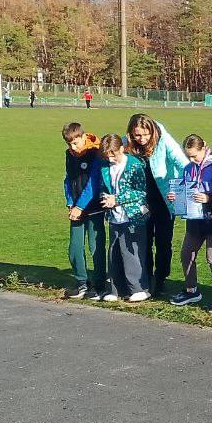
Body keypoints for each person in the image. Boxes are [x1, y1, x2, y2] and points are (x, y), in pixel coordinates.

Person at [168, 135, 212, 315]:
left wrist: (208, 197)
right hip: (194, 220)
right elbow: (184, 189)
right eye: (188, 156)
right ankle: (191, 291)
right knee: (186, 253)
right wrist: (176, 196)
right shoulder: (189, 168)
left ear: (203, 148)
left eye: (194, 156)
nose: (191, 160)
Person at [125, 113, 189, 297]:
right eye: (137, 135)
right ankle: (144, 276)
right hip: (141, 200)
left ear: (152, 131)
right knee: (142, 240)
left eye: (145, 134)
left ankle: (160, 278)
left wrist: (180, 188)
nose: (142, 139)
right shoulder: (127, 142)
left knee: (163, 241)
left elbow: (183, 163)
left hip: (164, 199)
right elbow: (112, 153)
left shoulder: (164, 139)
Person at [98, 133, 151, 302]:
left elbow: (140, 192)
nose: (110, 158)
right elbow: (103, 187)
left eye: (113, 154)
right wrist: (105, 198)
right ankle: (116, 290)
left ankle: (140, 288)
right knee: (114, 253)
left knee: (132, 252)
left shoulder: (134, 165)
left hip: (133, 216)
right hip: (114, 217)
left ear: (121, 148)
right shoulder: (105, 167)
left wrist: (117, 199)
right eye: (107, 155)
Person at [61, 122, 107, 300]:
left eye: (75, 143)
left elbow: (93, 183)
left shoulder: (95, 153)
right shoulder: (69, 154)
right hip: (75, 208)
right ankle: (81, 282)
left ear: (83, 136)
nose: (73, 147)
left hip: (94, 207)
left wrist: (80, 206)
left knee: (96, 247)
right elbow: (68, 179)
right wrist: (70, 202)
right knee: (74, 246)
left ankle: (99, 285)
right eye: (69, 144)